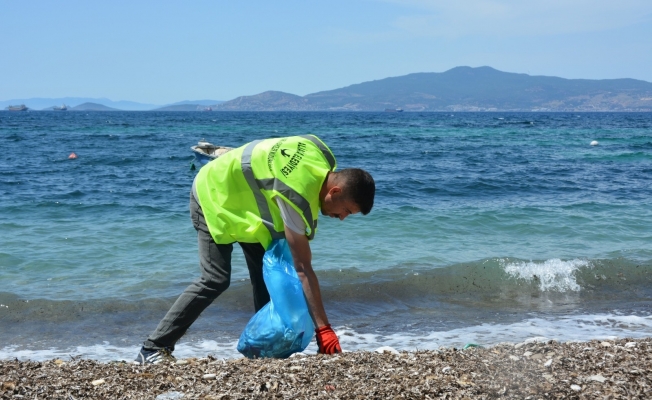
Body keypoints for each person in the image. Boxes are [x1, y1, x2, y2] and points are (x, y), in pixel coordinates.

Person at [135, 134, 375, 364]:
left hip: (247, 208)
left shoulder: (320, 155)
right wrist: (324, 330)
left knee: (268, 275)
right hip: (212, 196)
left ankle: (264, 350)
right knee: (215, 279)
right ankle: (154, 347)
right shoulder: (294, 195)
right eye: (346, 211)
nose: (342, 218)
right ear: (335, 191)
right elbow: (302, 268)